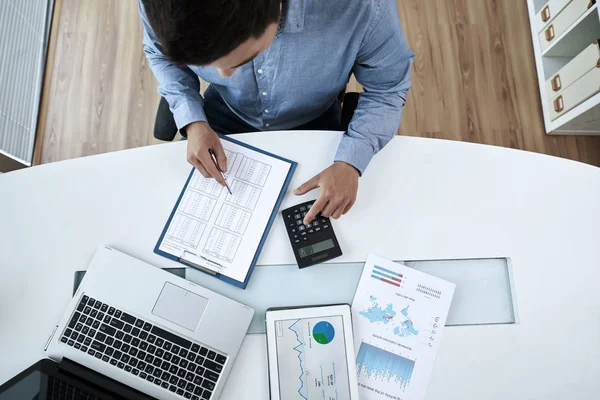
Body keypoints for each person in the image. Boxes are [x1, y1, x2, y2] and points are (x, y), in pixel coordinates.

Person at [139, 0, 413, 224]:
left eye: (241, 59)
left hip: (315, 119)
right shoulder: (163, 7)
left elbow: (387, 89)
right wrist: (192, 119)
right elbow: (158, 52)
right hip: (223, 112)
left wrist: (351, 162)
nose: (222, 75)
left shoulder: (362, 7)